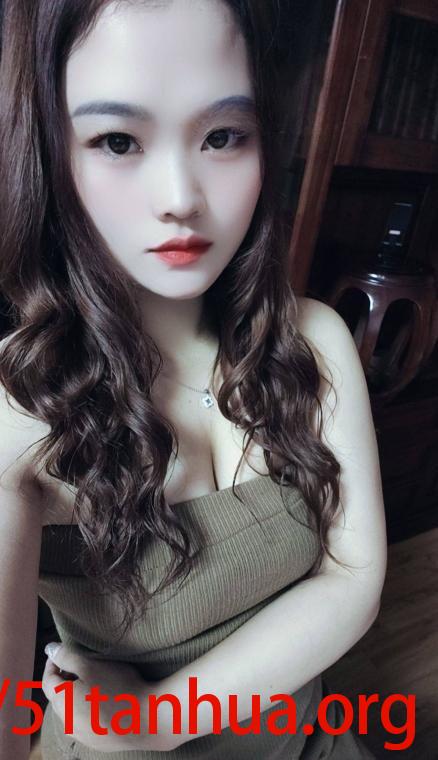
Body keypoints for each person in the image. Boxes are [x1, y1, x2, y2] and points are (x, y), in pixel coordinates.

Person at [0, 0, 387, 758]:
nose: (181, 196)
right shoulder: (19, 407)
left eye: (222, 136)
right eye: (118, 141)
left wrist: (156, 717)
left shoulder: (312, 340)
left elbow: (355, 578)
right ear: (46, 154)